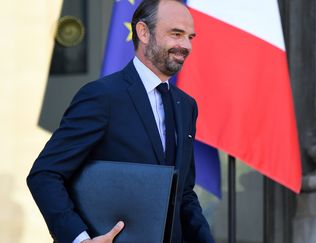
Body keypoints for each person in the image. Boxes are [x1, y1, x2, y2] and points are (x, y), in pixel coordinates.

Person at [26, 0, 215, 242]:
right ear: (143, 32)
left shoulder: (186, 106)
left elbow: (183, 194)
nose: (186, 45)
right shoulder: (101, 96)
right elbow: (45, 174)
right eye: (176, 34)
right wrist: (80, 239)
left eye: (190, 37)